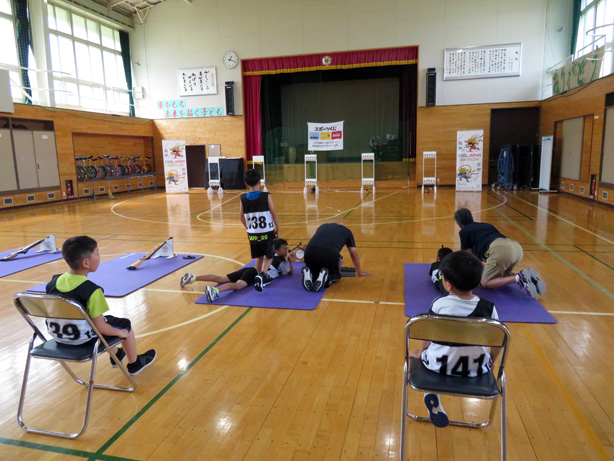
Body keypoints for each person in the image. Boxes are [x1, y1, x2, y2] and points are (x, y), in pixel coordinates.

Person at [409, 250, 501, 428]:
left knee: (416, 354)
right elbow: (498, 340)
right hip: (477, 369)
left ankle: (430, 393)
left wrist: (420, 352)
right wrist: (493, 361)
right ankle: (432, 394)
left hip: (439, 366)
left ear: (448, 284)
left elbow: (427, 335)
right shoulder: (489, 308)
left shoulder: (439, 304)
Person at [46, 236, 156, 376]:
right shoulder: (92, 291)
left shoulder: (53, 282)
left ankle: (117, 354)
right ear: (86, 262)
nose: (99, 256)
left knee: (103, 320)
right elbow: (101, 327)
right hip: (82, 340)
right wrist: (122, 333)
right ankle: (135, 364)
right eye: (97, 253)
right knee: (123, 325)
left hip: (58, 336)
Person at [454, 207, 545, 297]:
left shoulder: (464, 231)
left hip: (500, 250)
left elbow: (469, 256)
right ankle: (531, 278)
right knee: (502, 275)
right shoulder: (487, 225)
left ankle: (519, 278)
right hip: (516, 247)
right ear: (471, 217)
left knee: (485, 283)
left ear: (459, 224)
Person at [301, 223, 369, 292]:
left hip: (309, 252)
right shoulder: (348, 232)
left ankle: (309, 273)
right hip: (329, 254)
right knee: (337, 276)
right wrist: (359, 271)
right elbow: (354, 254)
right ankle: (326, 278)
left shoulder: (322, 226)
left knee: (315, 270)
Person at [239, 169, 281, 279]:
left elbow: (241, 217)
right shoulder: (266, 196)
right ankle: (262, 275)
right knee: (270, 255)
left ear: (246, 183)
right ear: (259, 182)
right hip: (266, 232)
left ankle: (258, 276)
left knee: (259, 256)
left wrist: (248, 227)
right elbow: (274, 214)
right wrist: (278, 228)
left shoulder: (243, 199)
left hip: (252, 233)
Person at [180, 267, 258, 302]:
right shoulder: (270, 266)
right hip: (254, 273)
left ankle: (192, 278)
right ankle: (215, 290)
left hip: (250, 268)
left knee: (220, 278)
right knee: (238, 285)